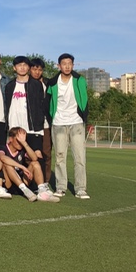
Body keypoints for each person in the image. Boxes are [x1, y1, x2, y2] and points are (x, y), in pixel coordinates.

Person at [46, 53, 90, 199]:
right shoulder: (52, 82)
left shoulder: (79, 80)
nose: (67, 66)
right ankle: (61, 187)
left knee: (80, 157)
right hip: (58, 123)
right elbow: (48, 103)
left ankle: (80, 189)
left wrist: (83, 116)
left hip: (76, 122)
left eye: (69, 63)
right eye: (64, 64)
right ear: (59, 66)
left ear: (73, 65)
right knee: (60, 157)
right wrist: (51, 118)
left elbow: (85, 99)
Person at [0, 127, 59, 203]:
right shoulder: (2, 147)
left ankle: (42, 192)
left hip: (22, 180)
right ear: (11, 139)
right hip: (9, 184)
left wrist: (24, 143)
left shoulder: (22, 149)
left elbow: (34, 158)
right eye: (18, 140)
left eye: (23, 139)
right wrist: (22, 167)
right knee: (7, 164)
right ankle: (25, 190)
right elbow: (2, 158)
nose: (20, 142)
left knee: (35, 163)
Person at [4, 56, 45, 159]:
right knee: (16, 157)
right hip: (15, 127)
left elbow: (41, 106)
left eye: (25, 65)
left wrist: (39, 124)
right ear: (14, 68)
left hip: (32, 128)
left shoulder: (36, 84)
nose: (22, 67)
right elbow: (7, 107)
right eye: (19, 65)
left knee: (36, 156)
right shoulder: (9, 86)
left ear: (28, 68)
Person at [30, 57, 53, 184]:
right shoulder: (26, 83)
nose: (37, 72)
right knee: (30, 154)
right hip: (31, 124)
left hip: (46, 124)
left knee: (46, 153)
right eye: (34, 69)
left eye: (39, 69)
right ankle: (30, 180)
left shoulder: (48, 83)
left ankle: (45, 181)